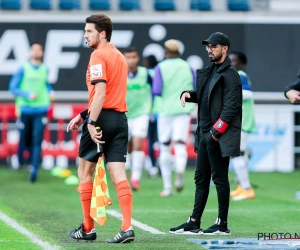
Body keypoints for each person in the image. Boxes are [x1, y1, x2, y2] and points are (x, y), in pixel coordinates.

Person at [66, 13, 134, 243]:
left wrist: (91, 122)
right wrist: (83, 114)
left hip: (101, 120)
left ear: (102, 33)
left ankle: (87, 229)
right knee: (118, 175)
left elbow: (101, 93)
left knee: (85, 172)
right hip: (120, 119)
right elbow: (111, 95)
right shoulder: (119, 57)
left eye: (89, 31)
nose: (85, 35)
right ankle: (126, 228)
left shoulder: (97, 55)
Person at [170, 32, 242, 235]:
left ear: (224, 49)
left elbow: (231, 108)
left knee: (220, 179)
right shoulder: (211, 70)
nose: (210, 50)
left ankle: (222, 224)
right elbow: (203, 96)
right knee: (200, 179)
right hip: (204, 133)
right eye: (208, 47)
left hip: (215, 135)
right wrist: (188, 94)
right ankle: (194, 221)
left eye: (214, 46)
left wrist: (215, 133)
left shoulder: (231, 75)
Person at [152, 39, 196, 197]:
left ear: (166, 52)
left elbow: (157, 90)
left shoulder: (160, 67)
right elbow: (196, 88)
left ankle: (167, 187)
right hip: (184, 109)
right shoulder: (188, 66)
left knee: (164, 146)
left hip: (166, 110)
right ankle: (180, 170)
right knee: (180, 144)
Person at [8, 43, 55, 183]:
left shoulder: (45, 69)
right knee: (25, 138)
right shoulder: (23, 69)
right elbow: (12, 88)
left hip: (41, 108)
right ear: (30, 52)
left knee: (37, 138)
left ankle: (34, 168)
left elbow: (45, 84)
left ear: (42, 53)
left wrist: (51, 91)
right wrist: (27, 94)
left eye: (39, 50)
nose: (36, 52)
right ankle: (22, 160)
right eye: (34, 49)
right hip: (25, 109)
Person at [229, 51, 256, 201]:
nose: (231, 63)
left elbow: (248, 94)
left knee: (236, 154)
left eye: (234, 61)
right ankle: (241, 186)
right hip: (241, 120)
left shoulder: (240, 75)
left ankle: (247, 189)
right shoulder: (237, 75)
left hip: (242, 121)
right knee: (241, 154)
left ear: (241, 63)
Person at [124, 47, 152, 190]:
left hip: (142, 114)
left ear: (137, 58)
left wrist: (152, 109)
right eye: (128, 57)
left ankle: (135, 178)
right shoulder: (120, 74)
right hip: (124, 114)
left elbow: (156, 90)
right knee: (128, 146)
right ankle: (129, 171)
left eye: (133, 57)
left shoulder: (145, 73)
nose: (131, 60)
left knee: (138, 145)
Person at [143, 55, 160, 178]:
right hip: (162, 111)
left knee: (151, 141)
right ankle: (160, 165)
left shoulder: (145, 74)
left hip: (150, 110)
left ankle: (153, 166)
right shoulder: (160, 71)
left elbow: (149, 94)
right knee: (161, 142)